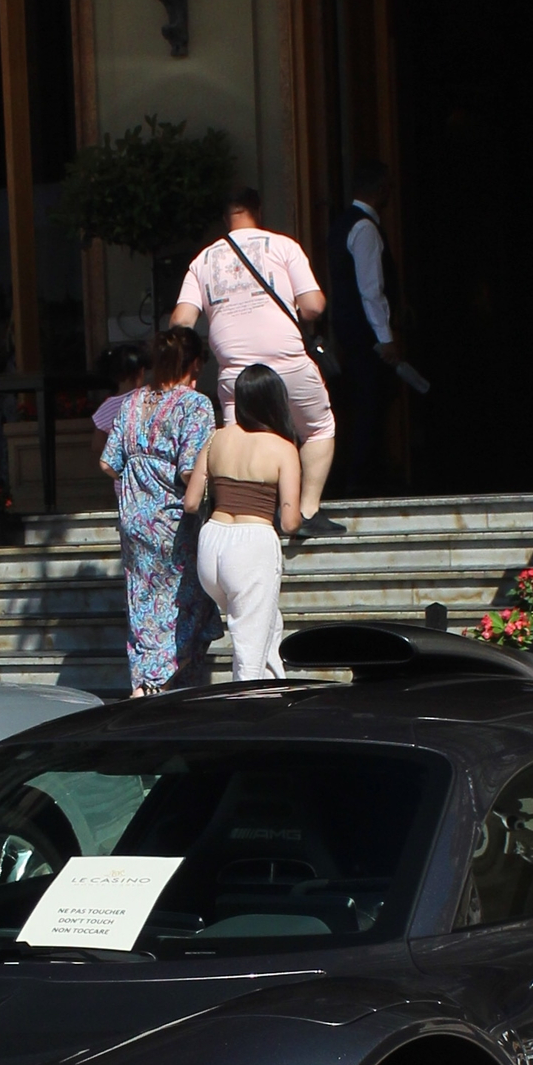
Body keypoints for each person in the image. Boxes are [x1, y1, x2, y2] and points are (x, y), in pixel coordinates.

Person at [170, 190, 335, 524]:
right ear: (258, 211)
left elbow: (181, 321)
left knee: (238, 444)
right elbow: (314, 305)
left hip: (234, 372)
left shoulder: (203, 260)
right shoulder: (283, 246)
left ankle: (242, 516)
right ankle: (306, 510)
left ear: (224, 218)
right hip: (287, 362)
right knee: (318, 427)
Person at [100, 325, 215, 695]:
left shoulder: (132, 401)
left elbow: (107, 463)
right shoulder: (195, 405)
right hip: (173, 519)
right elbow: (188, 469)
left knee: (144, 604)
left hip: (134, 520)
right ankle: (158, 680)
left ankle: (148, 680)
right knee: (185, 602)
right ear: (194, 363)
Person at [186, 360, 300, 683]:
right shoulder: (283, 448)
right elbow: (290, 522)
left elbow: (192, 501)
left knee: (267, 626)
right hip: (252, 546)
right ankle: (248, 717)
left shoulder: (216, 439)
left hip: (211, 545)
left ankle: (276, 694)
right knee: (249, 650)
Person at [325, 160, 404, 495]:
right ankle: (364, 478)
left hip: (348, 332)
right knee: (372, 403)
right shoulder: (366, 228)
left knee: (362, 402)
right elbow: (371, 289)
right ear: (380, 189)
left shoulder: (342, 224)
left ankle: (363, 473)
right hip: (367, 336)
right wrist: (386, 337)